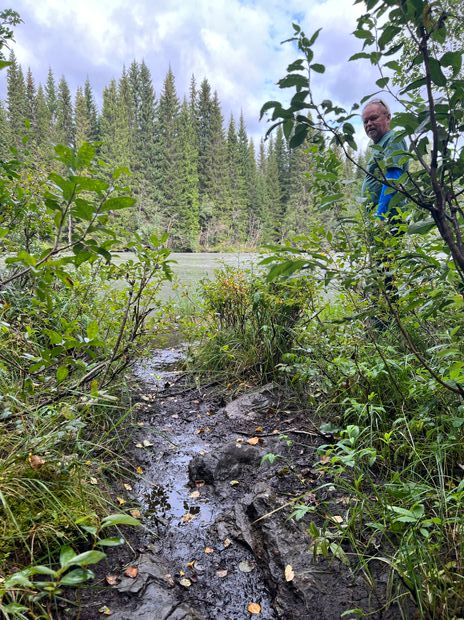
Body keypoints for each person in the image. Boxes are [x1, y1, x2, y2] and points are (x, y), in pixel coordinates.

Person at [361, 99, 408, 222]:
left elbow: (392, 180)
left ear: (388, 118)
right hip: (379, 221)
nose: (369, 124)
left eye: (373, 118)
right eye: (365, 121)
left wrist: (380, 218)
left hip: (389, 221)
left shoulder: (393, 139)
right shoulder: (380, 144)